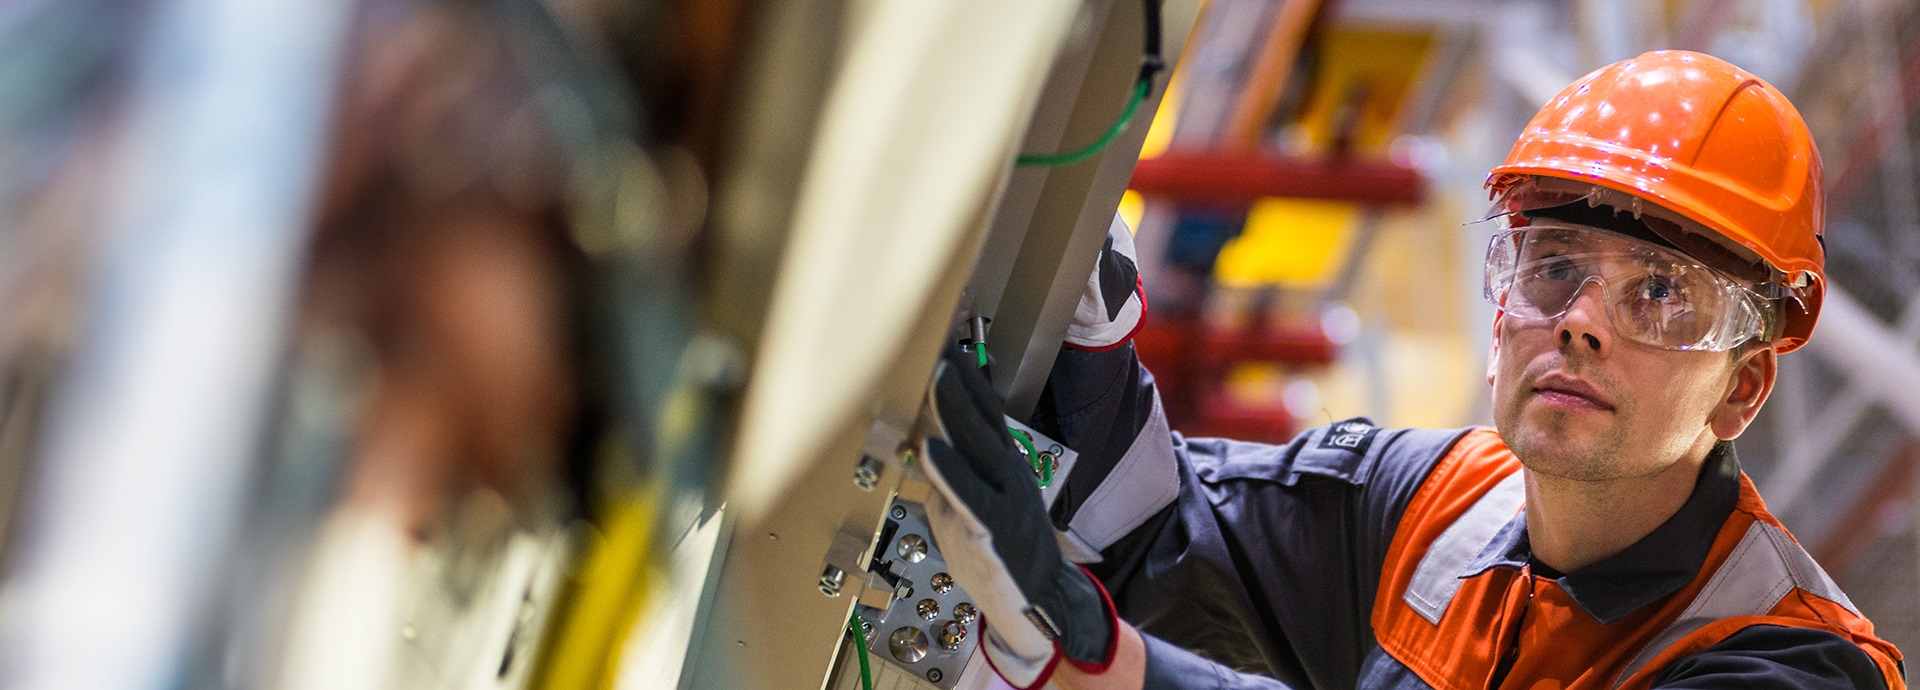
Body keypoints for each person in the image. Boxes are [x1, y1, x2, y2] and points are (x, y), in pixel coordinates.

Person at [919, 50, 1908, 689]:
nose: (1579, 324)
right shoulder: (1434, 506)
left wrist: (1114, 667)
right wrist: (1084, 330)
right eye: (1553, 267)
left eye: (1659, 294)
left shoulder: (1796, 659)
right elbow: (1157, 533)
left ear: (1742, 388)